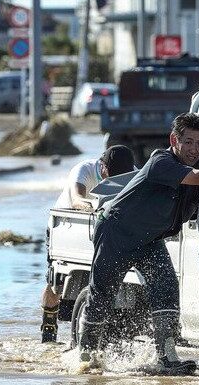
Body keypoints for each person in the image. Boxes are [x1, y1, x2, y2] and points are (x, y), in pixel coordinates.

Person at [77, 113, 199, 375]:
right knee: (102, 294)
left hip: (150, 239)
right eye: (188, 142)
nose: (194, 149)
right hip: (117, 231)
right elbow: (198, 178)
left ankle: (167, 356)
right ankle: (86, 357)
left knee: (166, 287)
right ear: (174, 140)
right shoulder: (160, 162)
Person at [41, 145, 136, 343]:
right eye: (112, 175)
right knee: (55, 285)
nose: (116, 180)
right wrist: (95, 207)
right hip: (66, 227)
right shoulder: (84, 170)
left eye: (121, 176)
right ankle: (48, 326)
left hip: (107, 229)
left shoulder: (132, 173)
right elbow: (77, 199)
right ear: (102, 167)